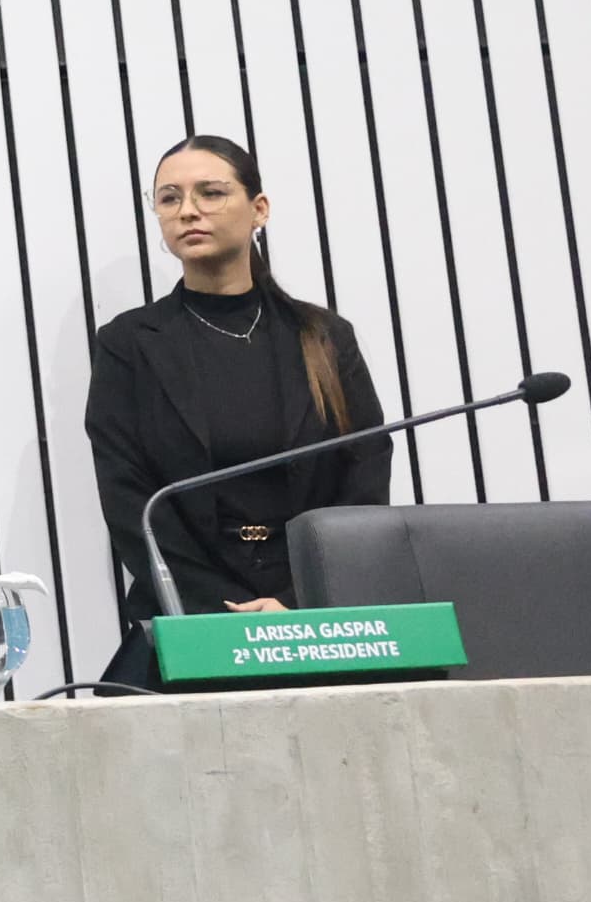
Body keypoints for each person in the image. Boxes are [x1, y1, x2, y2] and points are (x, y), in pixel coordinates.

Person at [86, 133, 390, 629]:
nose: (187, 211)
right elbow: (128, 499)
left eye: (210, 192)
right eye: (169, 198)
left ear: (259, 209)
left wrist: (299, 599)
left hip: (319, 613)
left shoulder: (325, 337)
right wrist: (221, 613)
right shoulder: (130, 344)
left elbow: (365, 482)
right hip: (190, 617)